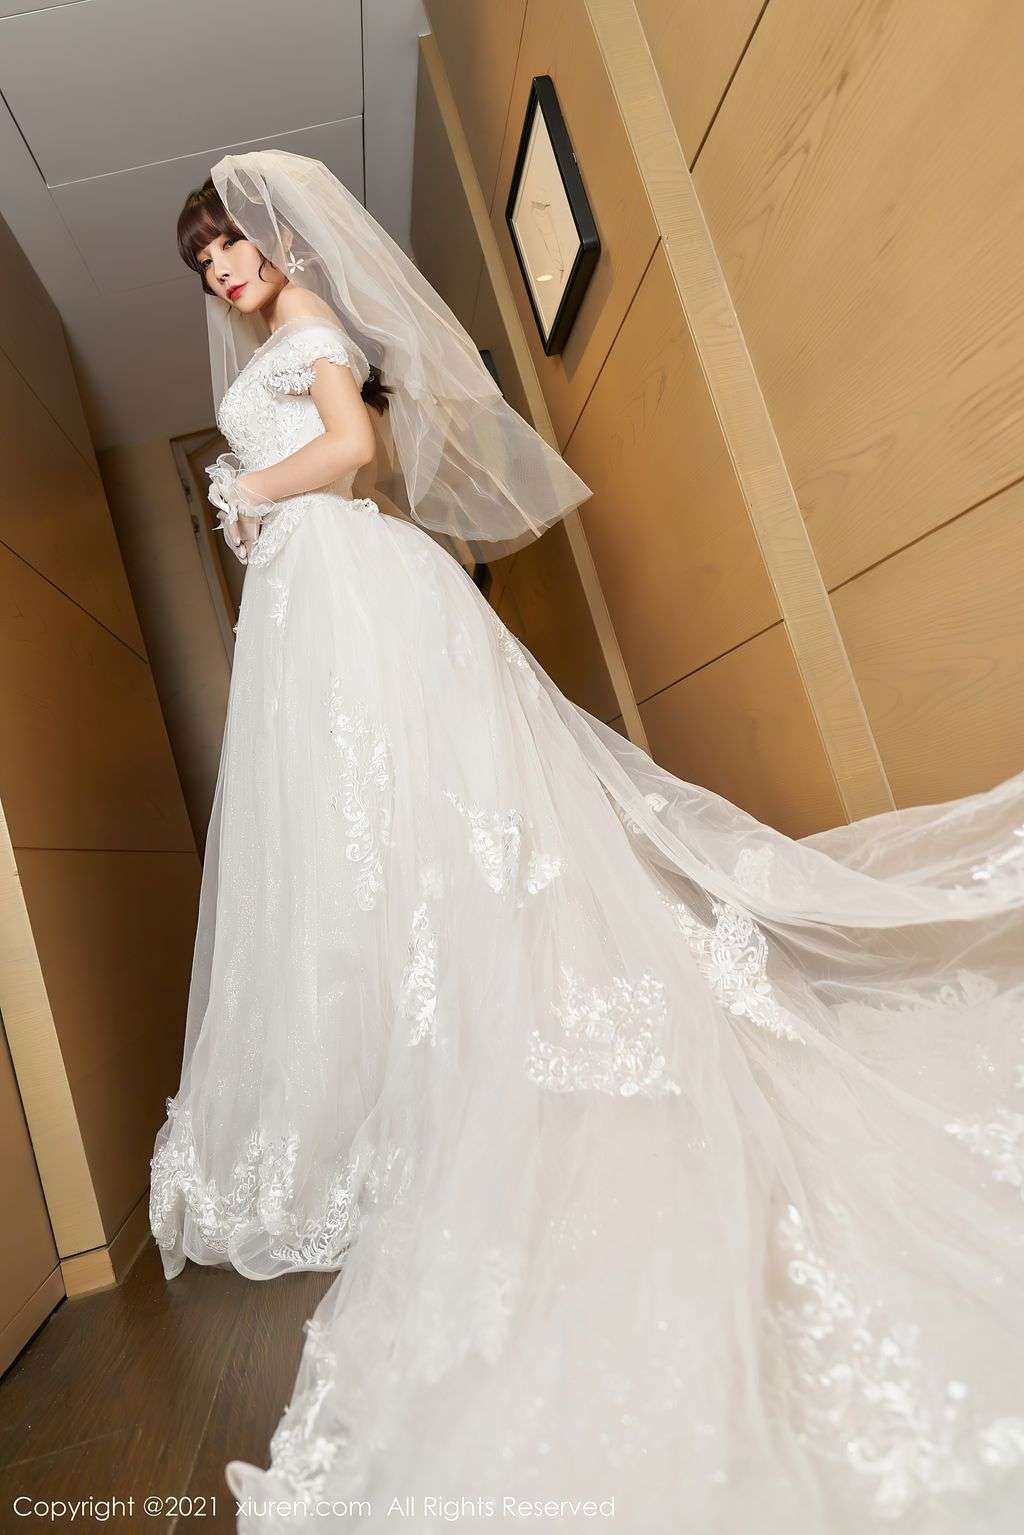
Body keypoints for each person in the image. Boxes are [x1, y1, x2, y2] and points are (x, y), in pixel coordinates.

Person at [151, 150, 1024, 1531]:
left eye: (230, 246)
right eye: (206, 263)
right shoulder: (270, 338)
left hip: (353, 587)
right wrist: (263, 518)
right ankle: (399, 1066)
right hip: (312, 599)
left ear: (274, 235)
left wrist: (249, 495)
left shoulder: (309, 315)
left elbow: (355, 449)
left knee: (420, 806)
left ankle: (481, 1051)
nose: (224, 272)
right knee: (353, 834)